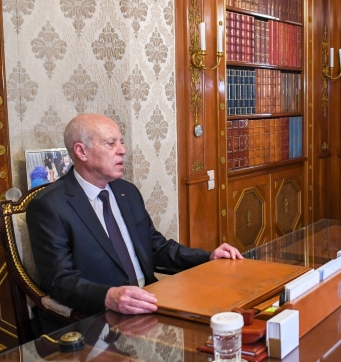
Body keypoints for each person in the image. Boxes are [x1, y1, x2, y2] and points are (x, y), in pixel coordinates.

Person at [27, 114, 244, 332]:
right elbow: (59, 281)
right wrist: (109, 296)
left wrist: (207, 257)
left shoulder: (127, 192)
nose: (122, 150)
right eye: (111, 143)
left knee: (229, 323)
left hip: (151, 303)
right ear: (81, 151)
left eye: (121, 142)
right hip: (98, 319)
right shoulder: (50, 206)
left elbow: (156, 247)